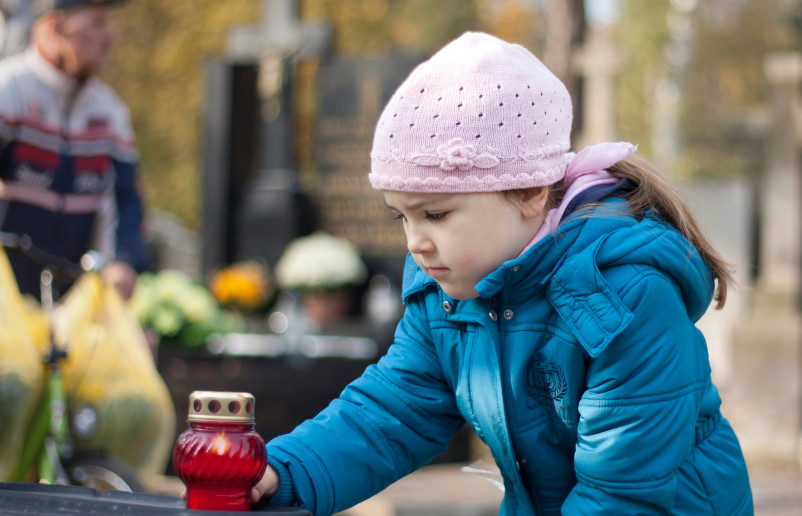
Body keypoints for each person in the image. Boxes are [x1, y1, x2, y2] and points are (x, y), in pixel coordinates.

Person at [252, 32, 753, 515]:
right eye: (401, 216)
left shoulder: (625, 295)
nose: (414, 242)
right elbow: (391, 412)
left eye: (437, 214)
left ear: (532, 192)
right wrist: (282, 472)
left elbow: (622, 489)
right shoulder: (446, 294)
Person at [0, 0, 147, 301]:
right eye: (96, 23)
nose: (110, 34)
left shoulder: (110, 112)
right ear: (55, 26)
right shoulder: (8, 90)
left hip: (70, 299)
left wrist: (124, 261)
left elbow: (127, 200)